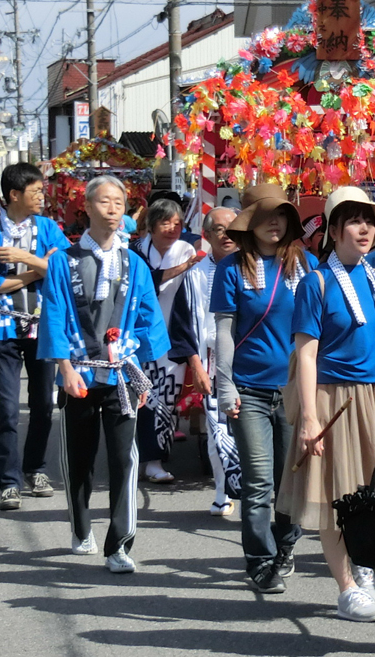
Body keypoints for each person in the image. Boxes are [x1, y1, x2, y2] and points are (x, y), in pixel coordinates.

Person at [277, 187, 375, 622]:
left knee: (372, 489)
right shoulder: (317, 281)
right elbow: (306, 353)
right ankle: (346, 587)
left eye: (369, 221)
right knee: (334, 495)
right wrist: (309, 416)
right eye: (353, 220)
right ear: (332, 230)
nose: (364, 229)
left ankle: (364, 569)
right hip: (331, 397)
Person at [38, 175, 170, 574]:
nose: (113, 209)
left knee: (123, 460)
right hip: (79, 372)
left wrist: (143, 374)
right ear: (88, 206)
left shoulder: (134, 263)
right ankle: (81, 528)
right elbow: (55, 315)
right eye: (105, 202)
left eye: (120, 203)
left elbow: (149, 319)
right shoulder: (64, 260)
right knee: (78, 458)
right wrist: (63, 367)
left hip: (121, 375)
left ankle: (119, 544)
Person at [211, 183, 315, 594]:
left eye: (283, 215)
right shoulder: (231, 268)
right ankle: (259, 561)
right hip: (248, 390)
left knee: (291, 481)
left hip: (294, 390)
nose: (276, 222)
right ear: (249, 223)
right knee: (258, 484)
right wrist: (225, 387)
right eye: (266, 215)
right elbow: (223, 331)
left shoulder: (303, 265)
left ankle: (286, 545)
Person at [0, 163, 69, 510]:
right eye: (36, 191)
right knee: (7, 408)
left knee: (43, 403)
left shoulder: (49, 228)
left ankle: (35, 468)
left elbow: (66, 268)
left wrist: (26, 259)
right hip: (4, 327)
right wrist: (37, 268)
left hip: (43, 326)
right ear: (14, 195)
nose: (43, 196)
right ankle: (9, 481)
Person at [131, 198, 204, 484]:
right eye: (166, 222)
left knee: (168, 396)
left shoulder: (186, 248)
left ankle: (158, 454)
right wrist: (184, 266)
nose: (173, 228)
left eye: (178, 223)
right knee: (146, 397)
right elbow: (148, 280)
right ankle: (152, 459)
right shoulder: (136, 251)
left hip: (174, 334)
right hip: (142, 335)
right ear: (150, 225)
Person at [181, 206, 241, 515]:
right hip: (213, 361)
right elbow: (186, 325)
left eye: (231, 227)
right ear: (206, 235)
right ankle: (222, 492)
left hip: (251, 360)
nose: (226, 234)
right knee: (219, 431)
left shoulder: (254, 267)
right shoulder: (195, 275)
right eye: (218, 229)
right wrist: (197, 367)